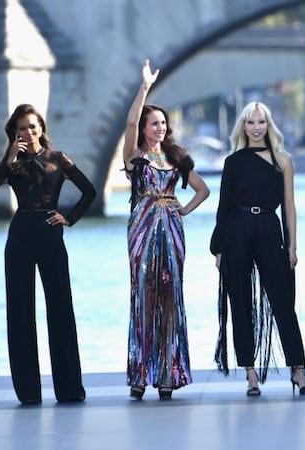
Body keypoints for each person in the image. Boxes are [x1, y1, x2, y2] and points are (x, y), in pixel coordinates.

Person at [0, 103, 96, 405]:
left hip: (50, 233)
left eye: (32, 126)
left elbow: (89, 191)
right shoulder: (13, 165)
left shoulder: (58, 159)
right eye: (21, 129)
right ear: (14, 134)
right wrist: (8, 159)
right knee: (20, 313)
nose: (28, 132)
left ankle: (70, 389)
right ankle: (28, 392)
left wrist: (69, 217)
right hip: (19, 237)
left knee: (61, 310)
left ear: (42, 128)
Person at [210, 101, 305, 397]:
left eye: (261, 122)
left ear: (269, 125)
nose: (256, 128)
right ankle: (250, 374)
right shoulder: (233, 162)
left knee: (283, 302)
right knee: (240, 303)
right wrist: (218, 247)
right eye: (251, 123)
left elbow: (290, 207)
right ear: (243, 127)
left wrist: (293, 245)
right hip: (237, 230)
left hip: (269, 228)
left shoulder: (283, 160)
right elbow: (224, 205)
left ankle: (299, 370)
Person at [122, 60, 210, 400]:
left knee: (171, 297)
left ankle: (168, 375)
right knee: (143, 296)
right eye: (154, 123)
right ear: (144, 128)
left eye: (163, 123)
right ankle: (140, 375)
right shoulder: (136, 158)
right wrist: (144, 87)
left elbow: (203, 190)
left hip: (171, 231)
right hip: (142, 229)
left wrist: (182, 210)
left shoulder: (176, 158)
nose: (160, 128)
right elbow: (130, 119)